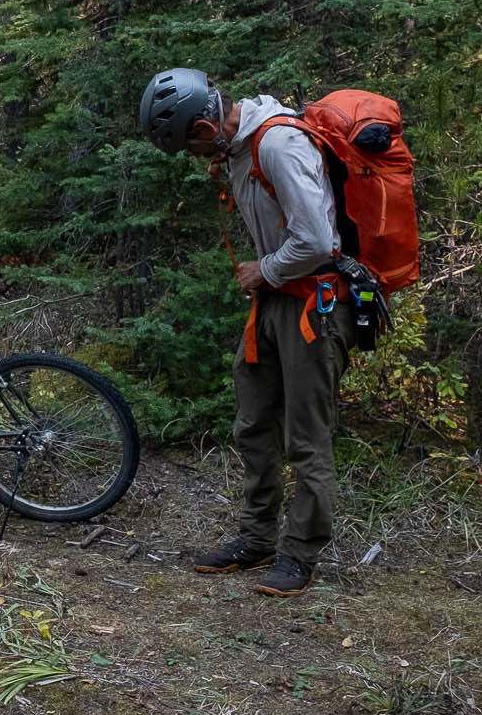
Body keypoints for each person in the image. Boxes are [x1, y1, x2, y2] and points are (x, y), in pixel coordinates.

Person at [139, 67, 347, 598]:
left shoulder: (278, 144)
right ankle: (257, 539)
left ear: (205, 128)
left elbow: (318, 240)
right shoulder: (240, 149)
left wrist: (266, 270)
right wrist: (269, 277)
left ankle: (299, 555)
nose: (195, 158)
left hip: (314, 305)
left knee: (305, 436)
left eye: (190, 147)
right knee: (254, 422)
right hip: (276, 300)